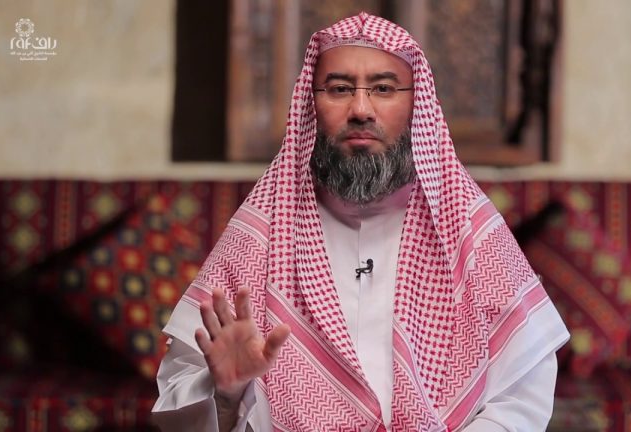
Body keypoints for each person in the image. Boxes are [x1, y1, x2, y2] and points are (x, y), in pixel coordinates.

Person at [152, 12, 569, 432]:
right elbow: (179, 399)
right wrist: (224, 395)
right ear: (311, 104)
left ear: (416, 104)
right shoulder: (260, 235)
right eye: (339, 89)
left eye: (383, 89)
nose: (361, 109)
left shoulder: (467, 232)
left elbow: (519, 398)